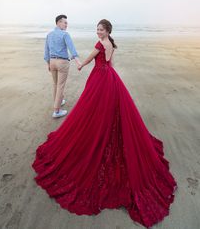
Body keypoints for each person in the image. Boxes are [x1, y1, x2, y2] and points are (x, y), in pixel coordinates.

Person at [32, 19, 177, 228]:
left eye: (100, 29)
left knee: (92, 111)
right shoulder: (111, 43)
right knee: (107, 111)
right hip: (110, 77)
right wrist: (114, 79)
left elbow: (90, 60)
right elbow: (111, 64)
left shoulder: (101, 44)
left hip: (100, 77)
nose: (97, 31)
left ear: (107, 30)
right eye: (97, 29)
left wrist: (80, 64)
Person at [44, 14, 81, 118]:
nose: (66, 25)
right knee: (60, 86)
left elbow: (46, 51)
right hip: (62, 63)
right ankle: (57, 111)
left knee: (55, 84)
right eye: (65, 22)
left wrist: (48, 63)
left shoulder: (49, 34)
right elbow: (72, 49)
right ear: (58, 22)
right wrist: (78, 62)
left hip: (52, 62)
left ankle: (58, 102)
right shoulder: (65, 35)